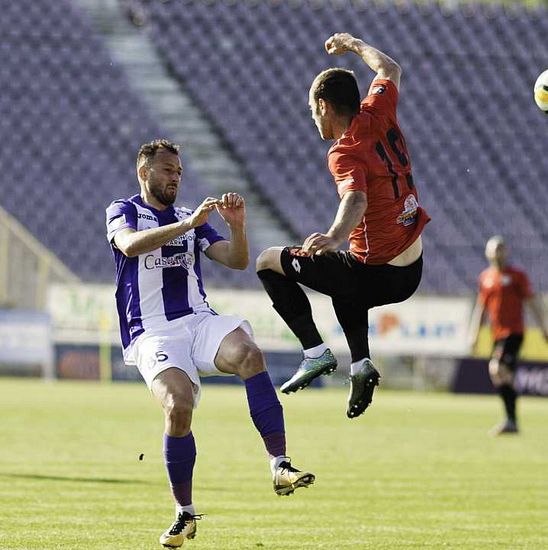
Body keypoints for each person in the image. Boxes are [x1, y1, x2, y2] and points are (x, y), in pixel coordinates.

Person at [106, 139, 314, 548]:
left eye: (179, 172)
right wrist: (186, 226)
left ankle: (280, 464)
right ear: (144, 172)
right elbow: (129, 245)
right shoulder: (124, 210)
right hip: (151, 330)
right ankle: (184, 514)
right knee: (177, 406)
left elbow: (235, 260)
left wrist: (236, 225)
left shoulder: (192, 217)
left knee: (250, 354)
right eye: (167, 170)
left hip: (198, 321)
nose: (175, 178)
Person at [256, 33, 430, 419]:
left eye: (312, 110)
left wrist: (334, 234)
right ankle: (360, 364)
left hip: (379, 273)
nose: (313, 119)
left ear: (324, 105)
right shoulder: (379, 110)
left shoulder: (344, 150)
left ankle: (315, 353)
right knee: (343, 273)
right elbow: (389, 68)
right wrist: (353, 44)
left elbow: (356, 199)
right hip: (413, 267)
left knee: (268, 261)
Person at [467, 236, 548, 435]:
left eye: (501, 249)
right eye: (494, 249)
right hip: (497, 334)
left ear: (507, 252)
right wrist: (474, 334)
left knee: (497, 369)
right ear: (488, 253)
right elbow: (481, 309)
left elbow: (531, 302)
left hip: (514, 332)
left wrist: (544, 328)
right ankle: (511, 420)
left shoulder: (517, 275)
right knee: (503, 377)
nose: (498, 253)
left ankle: (510, 420)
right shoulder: (485, 278)